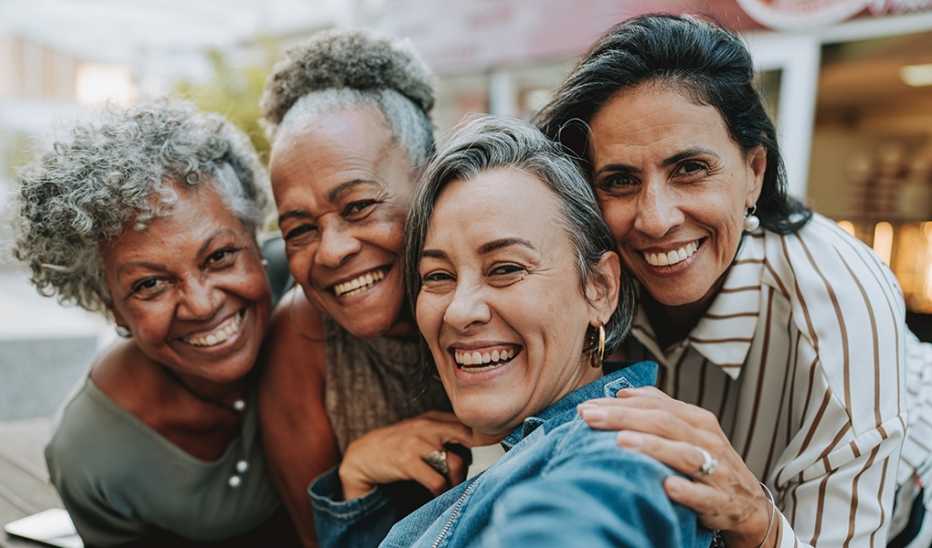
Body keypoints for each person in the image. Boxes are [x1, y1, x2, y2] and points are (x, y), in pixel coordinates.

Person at [537, 13, 932, 547]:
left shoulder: (838, 300)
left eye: (690, 169)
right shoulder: (591, 275)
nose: (655, 219)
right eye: (620, 180)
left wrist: (755, 518)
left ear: (754, 171)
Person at [308, 115, 711, 548]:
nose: (460, 312)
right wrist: (356, 489)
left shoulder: (619, 451)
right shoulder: (466, 467)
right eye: (438, 276)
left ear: (600, 288)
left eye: (506, 269)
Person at [11, 100, 294, 546]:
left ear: (255, 238)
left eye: (219, 256)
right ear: (111, 308)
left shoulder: (314, 291)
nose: (201, 305)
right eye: (150, 285)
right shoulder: (93, 455)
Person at [257, 29, 468, 546]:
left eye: (358, 207)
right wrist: (356, 474)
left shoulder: (511, 290)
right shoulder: (303, 336)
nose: (331, 251)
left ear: (430, 181)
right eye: (300, 229)